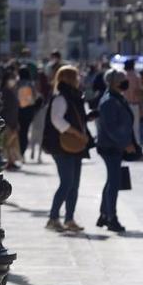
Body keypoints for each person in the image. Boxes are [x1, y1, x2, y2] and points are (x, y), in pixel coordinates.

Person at [43, 65, 93, 233]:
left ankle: (69, 218)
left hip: (74, 146)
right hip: (62, 146)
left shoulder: (73, 97)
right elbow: (57, 121)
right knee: (67, 183)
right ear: (70, 79)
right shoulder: (60, 98)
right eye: (76, 77)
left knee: (74, 184)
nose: (79, 80)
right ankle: (53, 217)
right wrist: (78, 134)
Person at [96, 69, 137, 233]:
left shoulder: (116, 97)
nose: (126, 82)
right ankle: (111, 217)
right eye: (123, 80)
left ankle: (105, 214)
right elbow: (111, 127)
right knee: (114, 183)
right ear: (114, 83)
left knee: (111, 181)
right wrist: (125, 143)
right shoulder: (109, 101)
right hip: (111, 147)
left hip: (113, 146)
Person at [15, 66, 40, 158]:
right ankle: (22, 152)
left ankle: (17, 151)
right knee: (25, 131)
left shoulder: (17, 84)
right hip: (29, 110)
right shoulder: (31, 84)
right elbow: (36, 97)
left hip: (18, 110)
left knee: (18, 131)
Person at [0, 70, 22, 170]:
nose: (14, 80)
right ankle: (8, 162)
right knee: (8, 143)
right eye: (11, 78)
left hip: (12, 120)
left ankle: (11, 161)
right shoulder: (5, 92)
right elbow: (6, 108)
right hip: (7, 121)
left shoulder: (11, 91)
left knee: (11, 143)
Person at [124, 58, 143, 146]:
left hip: (124, 105)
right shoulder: (137, 76)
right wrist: (142, 107)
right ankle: (137, 148)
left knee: (125, 127)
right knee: (135, 128)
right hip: (134, 104)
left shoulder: (122, 76)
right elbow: (139, 92)